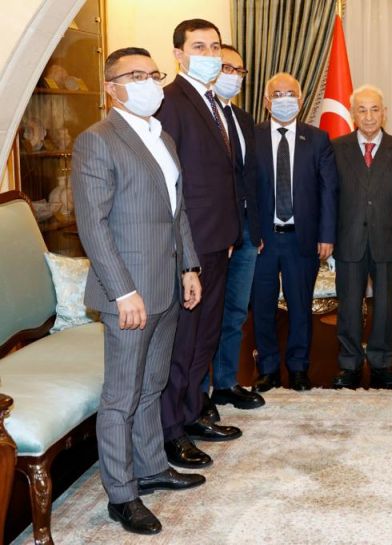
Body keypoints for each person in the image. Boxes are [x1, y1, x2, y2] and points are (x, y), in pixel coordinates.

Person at [72, 47, 205, 535]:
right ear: (111, 88)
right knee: (121, 396)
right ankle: (121, 494)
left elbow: (177, 211)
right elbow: (93, 225)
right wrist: (122, 291)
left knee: (153, 385)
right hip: (129, 293)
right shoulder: (97, 140)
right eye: (135, 75)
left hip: (166, 283)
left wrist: (189, 266)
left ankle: (150, 467)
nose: (149, 82)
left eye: (153, 74)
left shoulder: (161, 137)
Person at [156, 18, 242, 471]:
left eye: (215, 46)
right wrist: (185, 250)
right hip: (189, 246)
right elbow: (170, 185)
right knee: (183, 341)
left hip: (218, 241)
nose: (210, 54)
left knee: (205, 336)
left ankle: (192, 412)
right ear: (178, 54)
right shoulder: (170, 102)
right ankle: (170, 430)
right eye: (199, 46)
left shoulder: (215, 103)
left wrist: (229, 235)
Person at [252, 73, 338, 392]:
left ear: (301, 100)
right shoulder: (251, 137)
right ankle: (268, 368)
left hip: (302, 238)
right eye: (277, 94)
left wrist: (327, 235)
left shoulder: (318, 139)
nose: (284, 99)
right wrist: (249, 234)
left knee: (301, 305)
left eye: (290, 94)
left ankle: (299, 367)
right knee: (262, 306)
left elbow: (328, 191)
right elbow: (243, 190)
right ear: (266, 102)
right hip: (262, 240)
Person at [331, 85, 392, 390]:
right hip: (347, 238)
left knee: (386, 305)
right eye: (362, 110)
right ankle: (349, 363)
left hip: (389, 239)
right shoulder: (335, 149)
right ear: (353, 115)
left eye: (374, 109)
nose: (368, 116)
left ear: (384, 113)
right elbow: (328, 197)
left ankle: (381, 362)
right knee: (349, 305)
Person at [199, 44, 265, 417]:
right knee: (206, 315)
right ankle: (197, 396)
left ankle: (224, 383)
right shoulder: (200, 115)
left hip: (245, 234)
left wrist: (256, 230)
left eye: (239, 71)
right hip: (213, 235)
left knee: (236, 313)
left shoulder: (242, 118)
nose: (233, 76)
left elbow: (250, 177)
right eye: (226, 67)